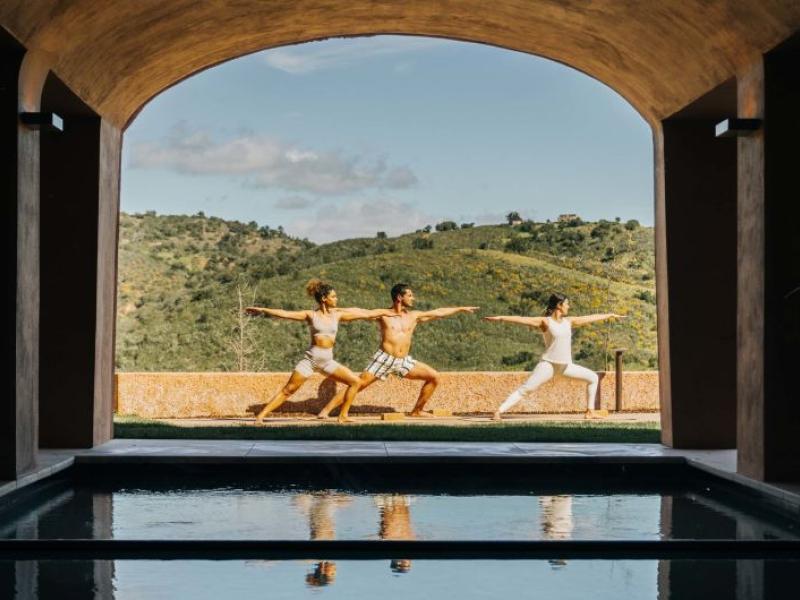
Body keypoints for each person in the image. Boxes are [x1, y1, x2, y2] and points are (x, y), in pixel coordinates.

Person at [316, 283, 479, 420]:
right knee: (358, 384)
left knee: (434, 377)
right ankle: (326, 411)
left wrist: (460, 308)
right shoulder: (384, 315)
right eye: (410, 295)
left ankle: (417, 411)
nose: (413, 298)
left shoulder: (414, 316)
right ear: (399, 297)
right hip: (384, 359)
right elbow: (360, 311)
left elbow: (438, 312)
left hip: (403, 361)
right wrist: (333, 310)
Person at [245, 279, 394, 424]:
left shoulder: (337, 315)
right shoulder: (311, 315)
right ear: (324, 298)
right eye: (333, 296)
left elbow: (365, 313)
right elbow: (285, 313)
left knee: (355, 382)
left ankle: (343, 415)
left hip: (327, 362)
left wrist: (390, 312)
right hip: (310, 360)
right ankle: (261, 416)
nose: (337, 299)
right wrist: (263, 310)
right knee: (288, 390)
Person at [484, 293, 625, 420]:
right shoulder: (545, 322)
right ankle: (498, 412)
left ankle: (590, 411)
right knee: (526, 389)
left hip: (565, 366)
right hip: (548, 365)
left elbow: (588, 318)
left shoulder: (568, 322)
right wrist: (501, 318)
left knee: (593, 378)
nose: (568, 306)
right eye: (567, 304)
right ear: (559, 305)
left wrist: (609, 315)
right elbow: (522, 319)